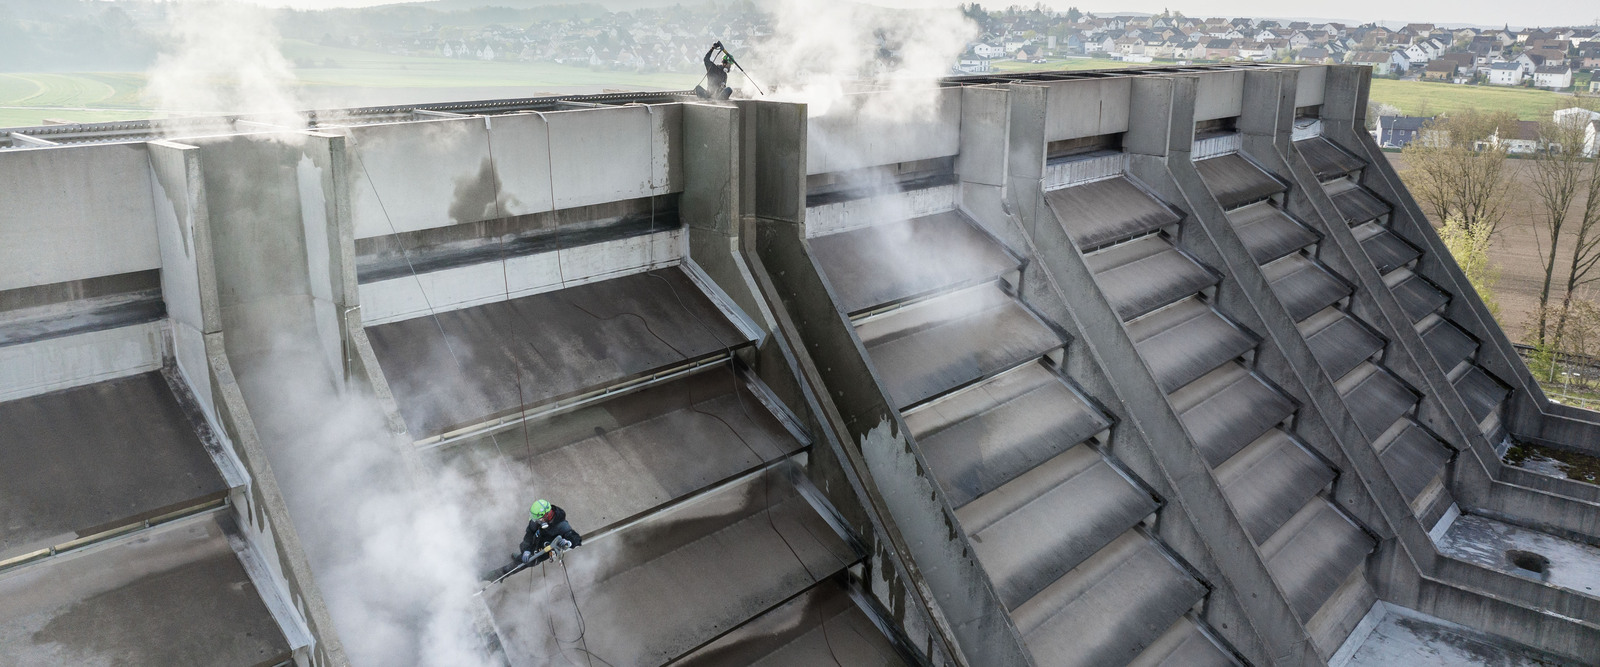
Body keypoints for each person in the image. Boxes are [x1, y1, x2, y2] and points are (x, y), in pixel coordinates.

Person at [511, 499, 582, 570]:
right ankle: (520, 557)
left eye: (539, 519)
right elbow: (530, 533)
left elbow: (576, 538)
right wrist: (526, 550)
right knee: (522, 557)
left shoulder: (562, 526)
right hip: (534, 542)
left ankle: (503, 573)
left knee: (523, 564)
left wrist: (568, 542)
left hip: (542, 551)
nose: (537, 521)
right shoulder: (538, 520)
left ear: (546, 515)